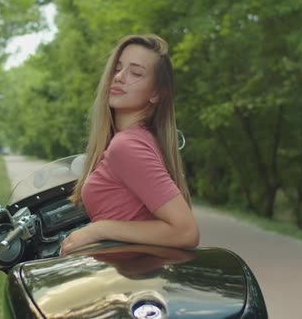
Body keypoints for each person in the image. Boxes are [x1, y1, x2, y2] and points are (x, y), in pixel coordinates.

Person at [60, 34, 199, 256]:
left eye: (135, 73)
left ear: (155, 94)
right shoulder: (141, 139)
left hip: (127, 277)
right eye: (117, 68)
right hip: (130, 276)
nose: (119, 77)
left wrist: (99, 230)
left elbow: (185, 231)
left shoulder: (127, 146)